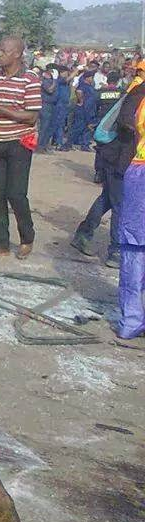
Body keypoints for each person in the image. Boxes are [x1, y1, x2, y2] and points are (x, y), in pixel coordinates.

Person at [0, 36, 42, 259]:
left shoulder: (30, 79)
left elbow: (31, 117)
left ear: (17, 54)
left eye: (2, 51)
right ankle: (0, 243)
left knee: (16, 194)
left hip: (19, 142)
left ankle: (27, 238)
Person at [71, 72, 132, 267]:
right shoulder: (135, 97)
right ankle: (116, 250)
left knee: (109, 198)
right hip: (119, 157)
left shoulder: (130, 93)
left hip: (121, 157)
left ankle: (83, 234)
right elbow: (128, 128)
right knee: (120, 203)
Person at [115, 79, 145, 340]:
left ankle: (132, 320)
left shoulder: (138, 92)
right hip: (139, 170)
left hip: (139, 171)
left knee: (134, 248)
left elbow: (124, 124)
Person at [70, 71, 98, 151]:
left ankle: (84, 144)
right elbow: (78, 92)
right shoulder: (83, 85)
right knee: (78, 127)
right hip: (82, 109)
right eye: (91, 77)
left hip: (90, 110)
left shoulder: (90, 86)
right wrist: (81, 101)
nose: (92, 79)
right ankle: (69, 143)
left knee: (87, 128)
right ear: (87, 78)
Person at [38, 64, 58, 151]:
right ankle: (39, 146)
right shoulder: (44, 80)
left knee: (50, 126)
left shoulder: (51, 80)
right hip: (45, 105)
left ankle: (44, 145)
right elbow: (50, 90)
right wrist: (55, 80)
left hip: (52, 104)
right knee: (44, 127)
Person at [51, 65, 72, 150]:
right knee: (59, 124)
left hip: (64, 105)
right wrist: (77, 70)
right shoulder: (59, 79)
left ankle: (55, 141)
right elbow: (68, 79)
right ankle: (58, 142)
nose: (68, 74)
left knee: (60, 124)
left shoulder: (65, 83)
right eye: (66, 72)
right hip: (59, 105)